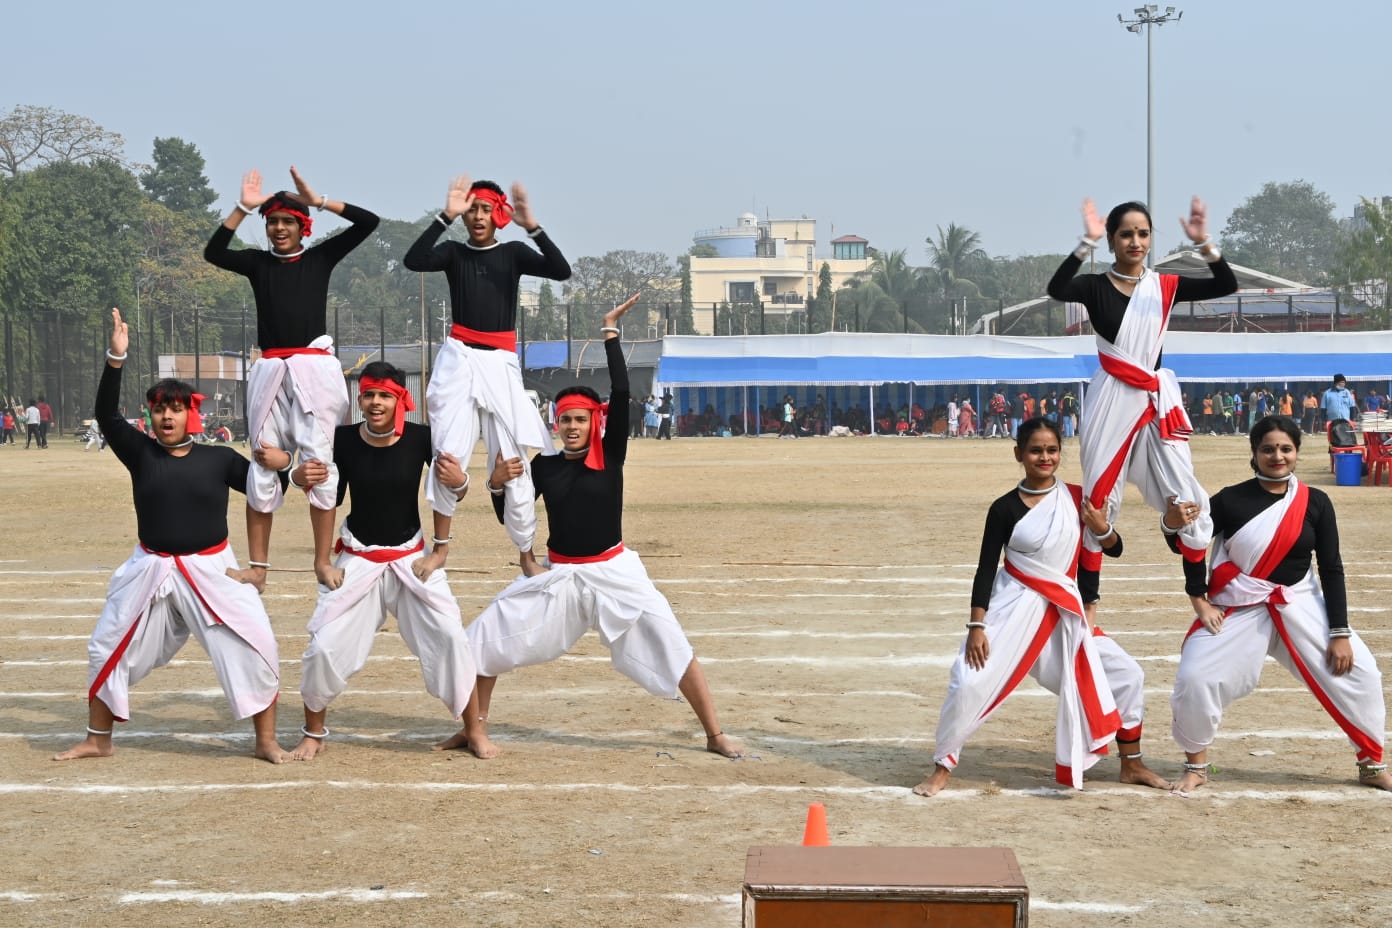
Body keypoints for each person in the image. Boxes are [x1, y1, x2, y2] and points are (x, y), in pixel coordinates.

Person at [441, 295, 741, 759]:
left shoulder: (611, 454)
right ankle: (473, 729)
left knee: (673, 644)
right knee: (482, 639)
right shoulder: (545, 466)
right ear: (556, 423)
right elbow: (513, 515)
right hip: (559, 576)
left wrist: (610, 333)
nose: (572, 427)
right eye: (565, 420)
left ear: (594, 421)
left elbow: (620, 391)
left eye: (580, 419)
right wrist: (497, 485)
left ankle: (715, 734)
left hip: (616, 572)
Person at [54, 309, 289, 765]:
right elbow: (106, 414)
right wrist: (115, 359)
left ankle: (265, 741)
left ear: (191, 414)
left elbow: (268, 489)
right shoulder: (140, 453)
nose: (166, 416)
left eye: (176, 409)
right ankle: (98, 739)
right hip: (150, 568)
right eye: (159, 408)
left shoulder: (220, 459)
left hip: (213, 569)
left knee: (257, 643)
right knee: (106, 645)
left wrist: (286, 464)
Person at [914, 418, 1168, 796]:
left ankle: (1131, 764)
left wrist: (1100, 526)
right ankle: (942, 767)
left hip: (1064, 615)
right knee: (967, 682)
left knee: (1127, 675)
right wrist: (977, 627)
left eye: (1051, 450)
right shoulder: (1003, 508)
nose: (1044, 457)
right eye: (1035, 450)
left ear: (1060, 454)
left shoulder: (1077, 500)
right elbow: (986, 568)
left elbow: (1113, 548)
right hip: (1012, 610)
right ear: (1019, 454)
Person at [265, 362, 493, 761]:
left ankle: (473, 731)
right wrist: (322, 560)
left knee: (451, 638)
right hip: (356, 559)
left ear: (401, 399)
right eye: (369, 394)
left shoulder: (422, 438)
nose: (375, 402)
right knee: (323, 648)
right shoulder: (342, 439)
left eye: (385, 395)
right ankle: (313, 733)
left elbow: (447, 488)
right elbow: (326, 496)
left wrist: (441, 546)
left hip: (412, 558)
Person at [1168, 416, 1391, 794]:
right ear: (1254, 453)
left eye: (1286, 449)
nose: (1277, 456)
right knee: (1195, 678)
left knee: (1362, 673)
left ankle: (1371, 765)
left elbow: (1331, 568)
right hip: (1240, 603)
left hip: (1299, 602)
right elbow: (1188, 541)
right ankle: (1196, 766)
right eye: (1268, 449)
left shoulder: (1316, 502)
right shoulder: (1229, 499)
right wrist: (1171, 524)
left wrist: (1339, 633)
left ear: (1297, 453)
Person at [204, 166, 380, 592]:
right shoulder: (257, 264)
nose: (279, 228)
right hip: (269, 370)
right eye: (272, 221)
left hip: (314, 372)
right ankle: (258, 569)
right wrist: (242, 207)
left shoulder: (319, 259)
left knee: (319, 466)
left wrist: (319, 200)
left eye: (288, 221)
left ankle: (322, 561)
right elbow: (214, 252)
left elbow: (368, 222)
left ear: (304, 227)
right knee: (262, 462)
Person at [1047, 197, 1237, 581]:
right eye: (1126, 234)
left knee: (1185, 491)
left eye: (1143, 233)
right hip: (1110, 397)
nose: (1136, 241)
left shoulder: (1165, 286)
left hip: (1155, 398)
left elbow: (1226, 284)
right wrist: (1086, 242)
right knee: (1097, 499)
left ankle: (1196, 589)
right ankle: (1089, 601)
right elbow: (1058, 287)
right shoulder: (1094, 287)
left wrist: (1204, 243)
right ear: (1112, 240)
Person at [403, 176, 570, 578]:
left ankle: (526, 555)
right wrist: (445, 215)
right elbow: (414, 259)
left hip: (500, 363)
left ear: (499, 215)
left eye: (485, 209)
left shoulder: (513, 253)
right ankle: (440, 548)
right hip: (458, 358)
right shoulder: (454, 253)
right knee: (446, 455)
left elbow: (560, 270)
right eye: (471, 209)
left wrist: (532, 226)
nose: (478, 216)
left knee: (512, 460)